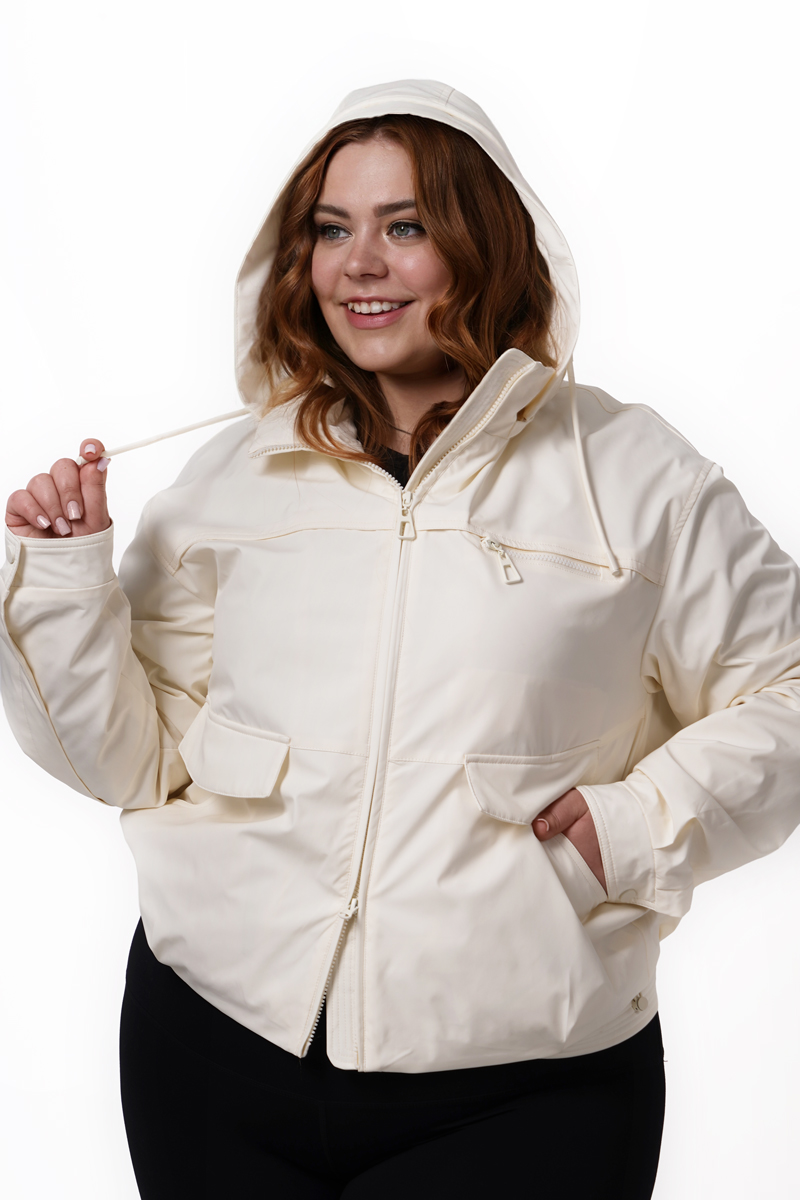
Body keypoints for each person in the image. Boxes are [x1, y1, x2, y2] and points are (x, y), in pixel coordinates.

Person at [2, 79, 799, 1200]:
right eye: (332, 230)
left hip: (526, 1088)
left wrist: (634, 827)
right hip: (210, 1048)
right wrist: (65, 576)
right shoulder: (236, 473)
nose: (358, 266)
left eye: (405, 226)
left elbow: (786, 685)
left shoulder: (635, 477)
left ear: (485, 246)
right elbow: (123, 762)